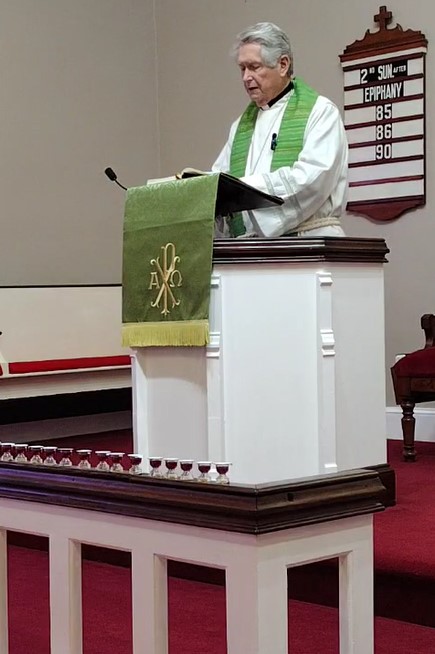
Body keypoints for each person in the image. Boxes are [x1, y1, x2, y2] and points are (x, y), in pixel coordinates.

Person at [212, 22, 348, 238]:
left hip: (308, 242)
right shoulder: (240, 126)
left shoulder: (320, 112)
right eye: (242, 68)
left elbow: (313, 179)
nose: (246, 77)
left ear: (283, 65)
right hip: (249, 249)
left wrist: (245, 189)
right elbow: (220, 183)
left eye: (254, 67)